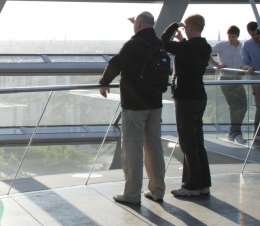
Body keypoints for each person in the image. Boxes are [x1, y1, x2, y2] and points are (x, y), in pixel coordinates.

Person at [99, 11, 165, 204]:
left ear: (138, 25)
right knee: (154, 148)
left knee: (133, 148)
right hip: (155, 103)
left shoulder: (133, 44)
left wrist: (104, 82)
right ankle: (157, 190)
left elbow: (116, 63)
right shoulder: (159, 44)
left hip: (135, 105)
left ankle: (132, 194)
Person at [161, 14, 211, 197]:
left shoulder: (187, 47)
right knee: (197, 143)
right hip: (199, 97)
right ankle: (203, 183)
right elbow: (190, 53)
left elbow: (163, 43)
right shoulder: (205, 47)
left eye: (184, 28)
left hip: (186, 99)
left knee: (188, 144)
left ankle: (192, 185)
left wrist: (174, 25)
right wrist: (182, 40)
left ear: (190, 27)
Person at [210, 25, 247, 144]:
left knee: (243, 106)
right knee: (235, 106)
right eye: (230, 36)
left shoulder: (242, 47)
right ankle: (236, 133)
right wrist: (216, 65)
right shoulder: (222, 45)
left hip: (237, 78)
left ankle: (233, 131)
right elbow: (207, 52)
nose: (231, 38)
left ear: (237, 37)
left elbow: (245, 61)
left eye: (233, 36)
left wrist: (243, 70)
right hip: (226, 78)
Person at [241, 21, 260, 148]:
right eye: (252, 35)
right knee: (259, 108)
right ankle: (257, 139)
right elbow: (243, 64)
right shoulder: (247, 45)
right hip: (257, 81)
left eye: (257, 35)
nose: (255, 37)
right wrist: (249, 67)